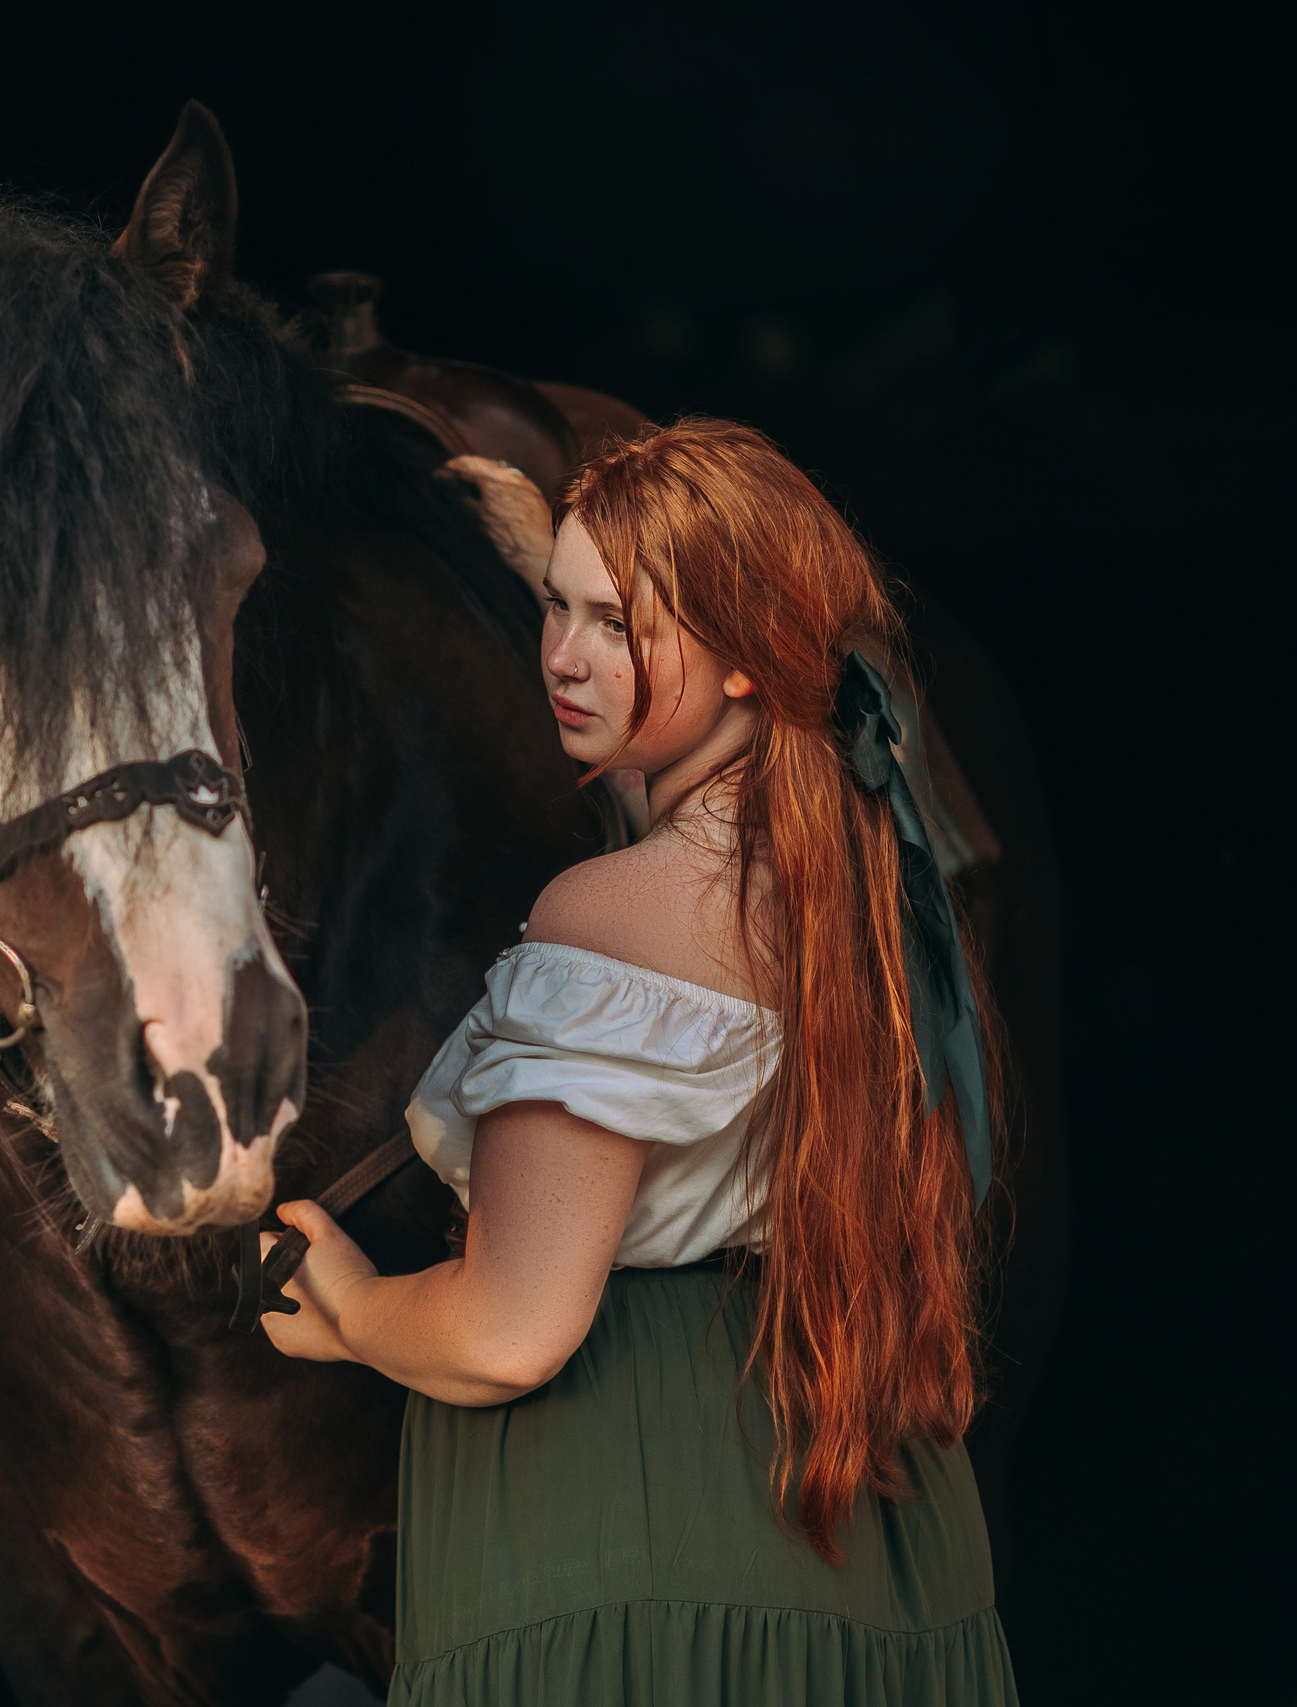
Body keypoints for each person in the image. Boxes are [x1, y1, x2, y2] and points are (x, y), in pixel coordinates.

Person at [262, 418, 1019, 1705]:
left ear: (742, 662)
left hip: (621, 1519)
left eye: (618, 625)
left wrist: (347, 1312)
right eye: (555, 610)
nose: (562, 657)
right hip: (873, 1525)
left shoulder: (605, 918)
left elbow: (507, 1334)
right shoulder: (861, 881)